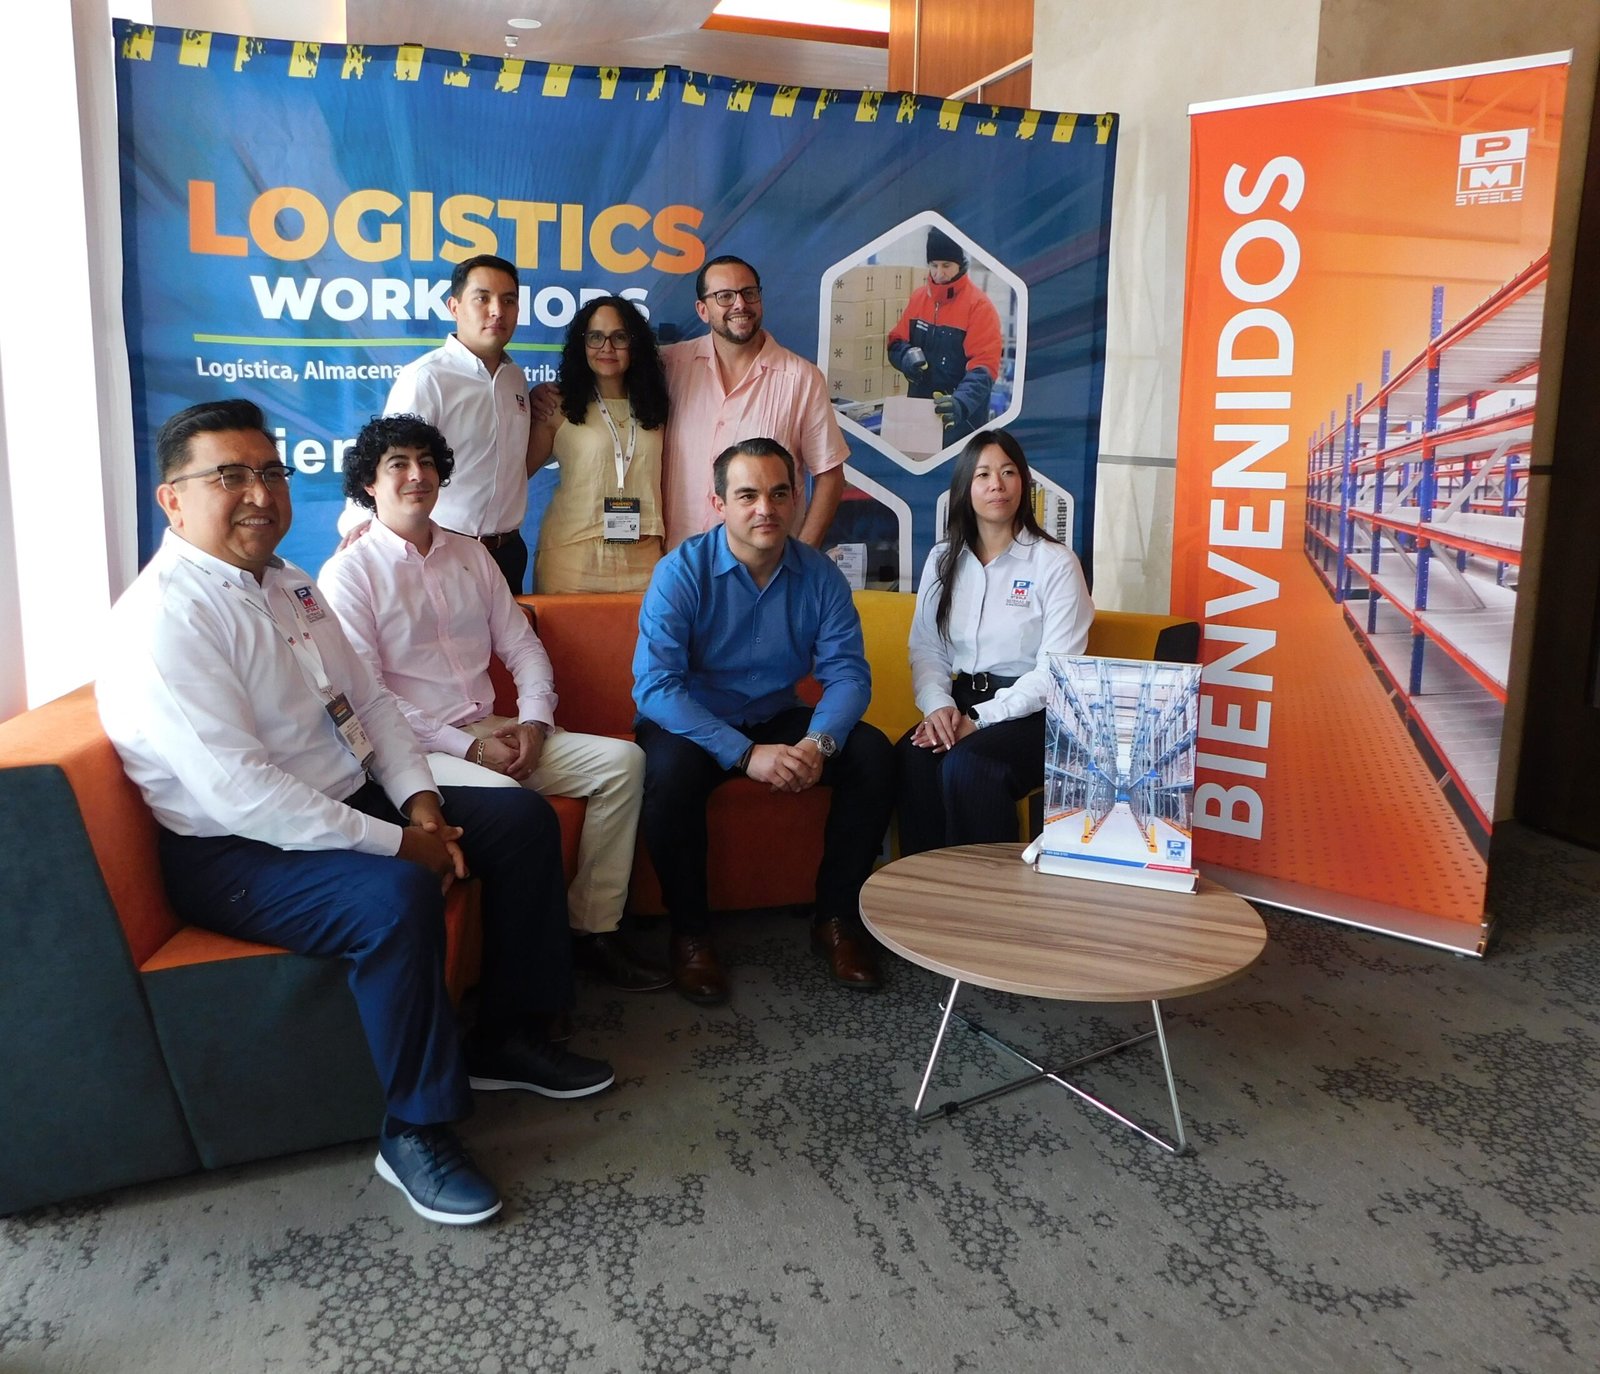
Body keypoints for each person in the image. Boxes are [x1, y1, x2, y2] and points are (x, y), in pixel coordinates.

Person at [100, 399, 613, 1229]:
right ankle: (414, 1129)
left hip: (345, 796)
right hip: (236, 851)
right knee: (398, 896)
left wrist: (422, 801)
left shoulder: (290, 584)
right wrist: (401, 845)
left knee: (519, 823)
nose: (260, 493)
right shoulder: (166, 617)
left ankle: (508, 1037)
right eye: (230, 476)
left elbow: (369, 703)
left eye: (270, 471)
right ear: (173, 500)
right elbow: (241, 793)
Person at [320, 413, 667, 992]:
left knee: (623, 763)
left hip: (492, 727)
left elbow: (523, 647)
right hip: (415, 753)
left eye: (426, 462)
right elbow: (369, 698)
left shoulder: (471, 556)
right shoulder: (348, 574)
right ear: (368, 485)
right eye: (398, 465)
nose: (417, 475)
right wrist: (468, 749)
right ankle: (525, 976)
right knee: (513, 805)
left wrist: (534, 720)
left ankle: (593, 930)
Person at [633, 437, 895, 1005]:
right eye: (747, 495)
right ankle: (691, 934)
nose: (765, 509)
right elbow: (655, 686)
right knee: (668, 775)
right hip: (694, 721)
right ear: (718, 504)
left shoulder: (819, 576)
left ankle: (836, 920)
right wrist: (744, 754)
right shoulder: (681, 572)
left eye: (779, 494)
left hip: (777, 715)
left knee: (872, 754)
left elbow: (848, 675)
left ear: (797, 499)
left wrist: (818, 743)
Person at [896, 430, 1094, 855]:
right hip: (962, 699)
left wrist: (979, 719)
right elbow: (927, 648)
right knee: (913, 757)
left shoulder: (1055, 563)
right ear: (965, 488)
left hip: (1036, 715)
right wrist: (938, 707)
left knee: (969, 765)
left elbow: (1054, 673)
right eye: (983, 474)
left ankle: (988, 890)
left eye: (1008, 472)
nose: (997, 485)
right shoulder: (943, 559)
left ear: (1024, 483)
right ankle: (925, 885)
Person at [339, 254, 534, 591]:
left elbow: (512, 465)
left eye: (508, 300)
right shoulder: (427, 378)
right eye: (482, 298)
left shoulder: (514, 378)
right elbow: (385, 458)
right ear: (454, 307)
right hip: (443, 551)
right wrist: (361, 527)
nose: (497, 311)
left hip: (508, 553)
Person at [658, 255, 848, 550]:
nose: (740, 305)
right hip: (679, 563)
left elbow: (830, 476)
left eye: (749, 293)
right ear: (702, 310)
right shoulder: (670, 366)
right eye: (724, 296)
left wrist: (802, 557)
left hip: (764, 567)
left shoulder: (801, 378)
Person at [527, 296, 668, 592]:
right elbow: (515, 475)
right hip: (572, 559)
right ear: (582, 344)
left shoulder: (657, 407)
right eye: (595, 337)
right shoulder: (557, 405)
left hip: (644, 560)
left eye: (619, 337)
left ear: (635, 344)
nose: (607, 347)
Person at [887, 228, 1004, 445]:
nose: (939, 273)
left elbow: (985, 367)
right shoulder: (918, 298)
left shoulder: (979, 307)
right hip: (919, 418)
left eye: (946, 265)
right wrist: (905, 357)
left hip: (962, 425)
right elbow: (895, 342)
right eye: (934, 265)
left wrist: (960, 403)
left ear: (960, 264)